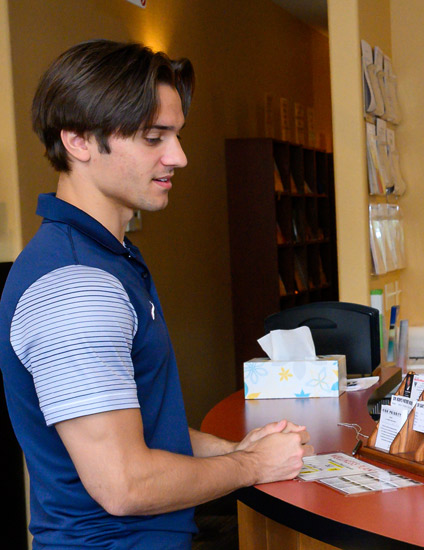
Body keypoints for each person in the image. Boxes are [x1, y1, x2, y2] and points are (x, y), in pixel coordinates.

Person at [0, 40, 314, 549]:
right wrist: (251, 465)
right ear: (78, 140)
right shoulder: (76, 287)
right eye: (153, 137)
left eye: (176, 135)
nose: (179, 157)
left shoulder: (111, 257)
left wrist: (229, 450)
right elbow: (125, 484)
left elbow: (137, 426)